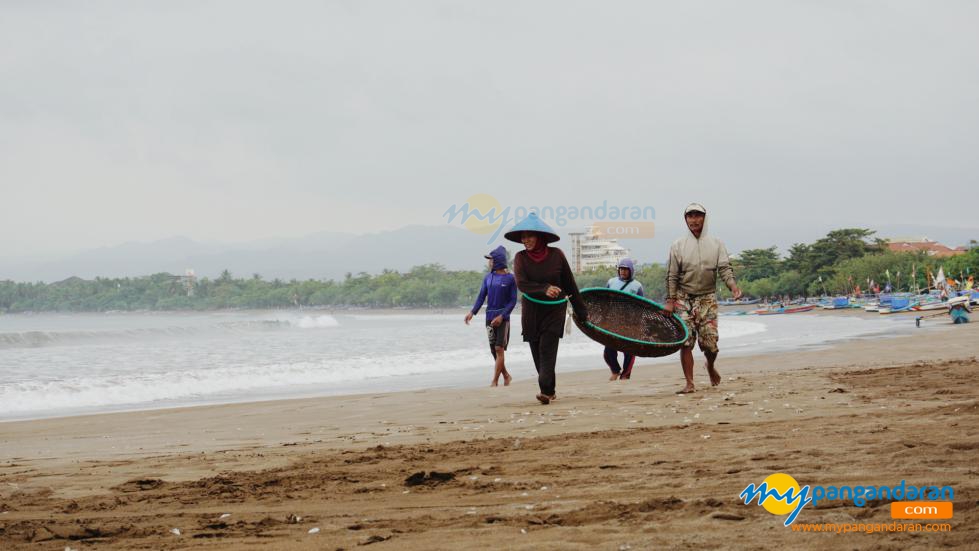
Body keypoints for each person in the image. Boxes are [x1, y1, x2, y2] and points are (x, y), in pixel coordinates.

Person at [507, 212, 588, 405]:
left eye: (530, 236)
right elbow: (522, 284)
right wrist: (544, 289)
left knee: (547, 348)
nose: (525, 240)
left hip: (555, 310)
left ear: (541, 237)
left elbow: (570, 284)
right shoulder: (520, 258)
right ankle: (550, 390)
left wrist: (581, 310)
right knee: (537, 351)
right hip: (531, 312)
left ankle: (544, 388)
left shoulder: (557, 255)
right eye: (523, 237)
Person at [663, 203, 742, 394]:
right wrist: (670, 300)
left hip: (707, 297)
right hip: (683, 297)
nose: (694, 220)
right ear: (685, 220)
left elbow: (724, 268)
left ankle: (710, 365)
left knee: (711, 344)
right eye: (690, 216)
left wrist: (733, 287)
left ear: (705, 219)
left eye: (697, 216)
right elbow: (672, 275)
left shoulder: (716, 244)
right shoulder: (678, 245)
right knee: (685, 341)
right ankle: (689, 383)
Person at [465, 245, 518, 386]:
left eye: (491, 260)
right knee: (493, 350)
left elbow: (513, 301)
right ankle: (506, 375)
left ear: (499, 261)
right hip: (489, 318)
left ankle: (494, 380)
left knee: (499, 348)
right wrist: (472, 312)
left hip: (503, 319)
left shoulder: (510, 279)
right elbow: (481, 296)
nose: (489, 262)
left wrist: (502, 316)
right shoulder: (488, 278)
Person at [604, 258, 644, 381]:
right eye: (621, 269)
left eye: (626, 269)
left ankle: (626, 374)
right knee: (608, 349)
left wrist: (637, 324)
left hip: (629, 322)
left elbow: (641, 306)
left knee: (629, 350)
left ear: (631, 270)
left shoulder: (637, 286)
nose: (623, 271)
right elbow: (604, 301)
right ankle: (615, 370)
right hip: (613, 321)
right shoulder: (611, 282)